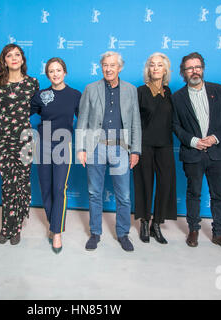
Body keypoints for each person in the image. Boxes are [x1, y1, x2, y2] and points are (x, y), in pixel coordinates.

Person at [171, 52, 221, 253]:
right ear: (183, 72)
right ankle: (193, 230)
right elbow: (175, 125)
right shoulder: (177, 98)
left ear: (203, 68)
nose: (194, 71)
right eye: (190, 68)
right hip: (193, 154)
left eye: (197, 67)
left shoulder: (218, 90)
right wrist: (193, 141)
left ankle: (219, 233)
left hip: (217, 152)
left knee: (218, 195)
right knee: (194, 193)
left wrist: (215, 137)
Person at [76, 51, 141, 252]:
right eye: (105, 65)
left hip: (121, 147)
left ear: (120, 68)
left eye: (113, 65)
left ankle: (123, 234)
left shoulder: (130, 90)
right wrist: (81, 148)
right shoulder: (91, 89)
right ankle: (95, 233)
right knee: (94, 192)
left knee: (124, 195)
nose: (108, 68)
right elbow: (82, 120)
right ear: (101, 66)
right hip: (96, 147)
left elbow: (136, 122)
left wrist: (135, 150)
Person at [0, 44, 39, 245]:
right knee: (8, 182)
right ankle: (6, 226)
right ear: (4, 60)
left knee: (22, 182)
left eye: (17, 54)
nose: (14, 58)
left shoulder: (32, 83)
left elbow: (35, 108)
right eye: (10, 55)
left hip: (25, 138)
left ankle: (16, 227)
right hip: (3, 138)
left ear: (23, 59)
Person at [30, 57, 81, 254]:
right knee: (46, 189)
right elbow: (22, 113)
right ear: (47, 74)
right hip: (42, 145)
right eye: (51, 71)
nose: (55, 74)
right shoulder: (41, 95)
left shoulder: (75, 95)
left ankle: (57, 232)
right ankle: (54, 224)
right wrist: (1, 117)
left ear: (65, 72)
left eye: (58, 70)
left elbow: (85, 118)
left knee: (59, 188)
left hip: (62, 145)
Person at [133, 52, 177, 244]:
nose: (156, 68)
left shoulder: (169, 94)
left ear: (166, 69)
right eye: (152, 65)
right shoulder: (140, 91)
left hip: (165, 145)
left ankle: (157, 224)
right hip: (145, 145)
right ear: (148, 69)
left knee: (165, 183)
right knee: (144, 183)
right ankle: (144, 221)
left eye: (160, 65)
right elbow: (133, 121)